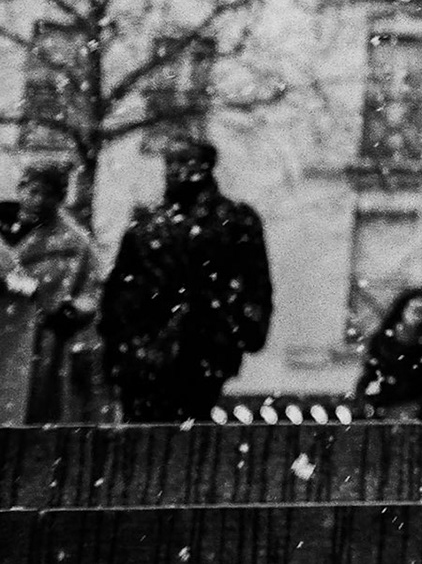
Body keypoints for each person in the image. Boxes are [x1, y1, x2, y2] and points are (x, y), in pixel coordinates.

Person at [100, 137, 274, 422]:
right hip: (144, 356)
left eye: (183, 161)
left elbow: (255, 284)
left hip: (202, 347)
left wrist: (240, 326)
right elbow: (120, 291)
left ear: (205, 166)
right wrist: (121, 345)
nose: (173, 170)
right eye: (170, 162)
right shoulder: (146, 225)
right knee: (146, 426)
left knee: (187, 424)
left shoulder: (234, 220)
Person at [0, 162, 101, 424]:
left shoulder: (74, 243)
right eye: (33, 191)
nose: (38, 200)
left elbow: (91, 292)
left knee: (36, 417)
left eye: (48, 194)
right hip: (6, 335)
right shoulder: (5, 229)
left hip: (45, 346)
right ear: (21, 189)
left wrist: (71, 313)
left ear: (60, 198)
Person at [353, 286, 422, 420]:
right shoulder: (382, 342)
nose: (417, 315)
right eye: (414, 309)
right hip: (385, 408)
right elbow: (370, 376)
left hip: (419, 410)